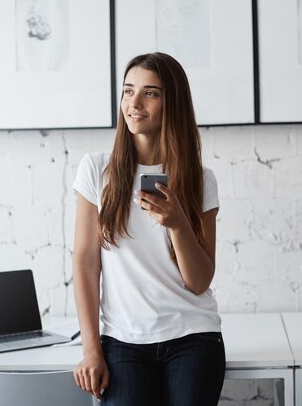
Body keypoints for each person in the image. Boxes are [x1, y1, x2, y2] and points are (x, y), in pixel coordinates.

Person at [71, 52, 224, 406]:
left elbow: (199, 282)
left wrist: (177, 224)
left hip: (193, 337)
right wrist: (91, 351)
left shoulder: (200, 181)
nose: (134, 103)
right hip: (123, 343)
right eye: (128, 91)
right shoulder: (97, 171)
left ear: (173, 103)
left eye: (150, 93)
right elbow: (85, 264)